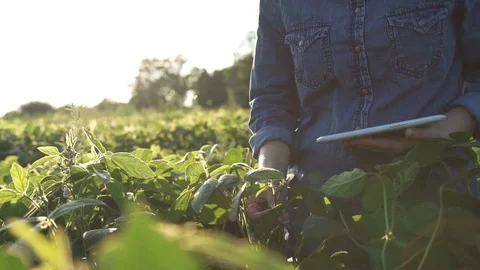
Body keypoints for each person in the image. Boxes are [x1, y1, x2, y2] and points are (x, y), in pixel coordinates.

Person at [246, 0, 479, 264]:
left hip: (436, 204)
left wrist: (447, 128)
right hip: (322, 214)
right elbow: (272, 100)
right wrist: (270, 178)